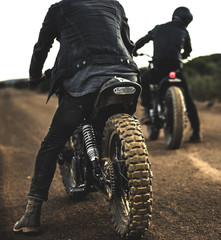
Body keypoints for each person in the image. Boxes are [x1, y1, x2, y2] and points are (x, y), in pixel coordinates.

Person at [13, 0, 139, 234]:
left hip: (84, 78)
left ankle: (31, 214)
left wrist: (33, 75)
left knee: (52, 143)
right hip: (126, 75)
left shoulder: (59, 9)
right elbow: (127, 42)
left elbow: (42, 47)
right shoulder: (114, 5)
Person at [133, 6, 202, 143]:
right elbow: (188, 50)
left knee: (144, 79)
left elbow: (142, 40)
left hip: (158, 69)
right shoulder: (184, 31)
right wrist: (183, 55)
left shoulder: (158, 28)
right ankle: (196, 133)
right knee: (187, 98)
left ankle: (146, 110)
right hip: (175, 70)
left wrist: (134, 50)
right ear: (187, 21)